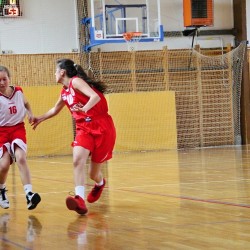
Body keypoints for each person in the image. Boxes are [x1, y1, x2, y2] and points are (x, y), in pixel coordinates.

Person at [32, 59, 116, 215]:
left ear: (62, 72)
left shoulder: (76, 82)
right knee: (77, 160)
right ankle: (80, 199)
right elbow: (55, 110)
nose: (54, 74)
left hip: (102, 126)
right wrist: (40, 118)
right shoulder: (64, 92)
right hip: (83, 127)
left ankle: (100, 183)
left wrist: (84, 109)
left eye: (55, 71)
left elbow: (95, 97)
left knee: (93, 174)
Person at [0, 66, 41, 210]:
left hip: (18, 128)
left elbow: (26, 103)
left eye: (4, 79)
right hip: (2, 132)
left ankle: (29, 194)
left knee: (21, 158)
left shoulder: (18, 91)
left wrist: (30, 113)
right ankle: (1, 189)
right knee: (4, 165)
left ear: (9, 79)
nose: (2, 82)